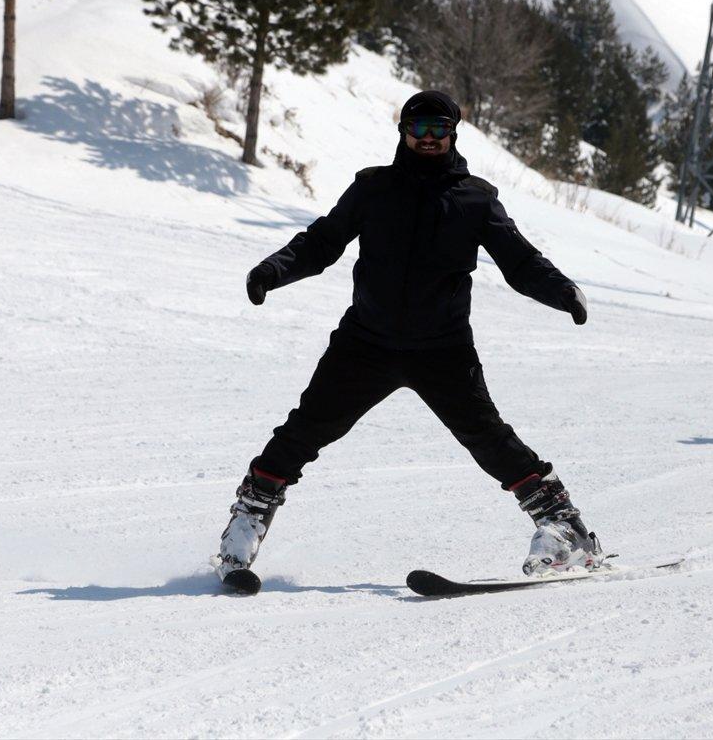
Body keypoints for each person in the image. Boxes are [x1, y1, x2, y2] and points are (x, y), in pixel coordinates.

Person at [212, 91, 601, 592]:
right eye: (418, 128)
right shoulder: (372, 188)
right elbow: (322, 241)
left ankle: (565, 528)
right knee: (302, 433)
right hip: (365, 343)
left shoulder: (475, 198)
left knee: (488, 438)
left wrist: (564, 292)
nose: (428, 139)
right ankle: (243, 528)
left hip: (441, 348)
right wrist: (273, 270)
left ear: (454, 133)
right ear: (402, 131)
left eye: (439, 128)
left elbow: (520, 262)